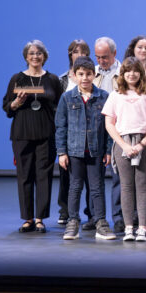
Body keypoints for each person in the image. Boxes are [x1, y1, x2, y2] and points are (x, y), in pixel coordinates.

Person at [3, 40, 63, 233]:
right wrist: (16, 103)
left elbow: (60, 107)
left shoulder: (52, 79)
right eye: (31, 53)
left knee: (43, 176)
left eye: (39, 53)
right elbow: (7, 106)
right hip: (22, 133)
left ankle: (40, 218)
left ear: (44, 56)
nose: (35, 56)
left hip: (47, 133)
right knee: (24, 176)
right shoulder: (17, 78)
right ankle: (27, 218)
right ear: (26, 57)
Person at [55, 57, 115, 240]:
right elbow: (61, 127)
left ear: (94, 75)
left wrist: (108, 150)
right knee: (75, 187)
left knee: (97, 188)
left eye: (88, 74)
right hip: (74, 152)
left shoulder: (104, 96)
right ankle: (73, 222)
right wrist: (62, 152)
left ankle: (100, 223)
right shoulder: (67, 98)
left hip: (96, 151)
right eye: (80, 74)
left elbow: (109, 126)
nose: (85, 78)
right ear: (73, 76)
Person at [103, 57, 146, 242]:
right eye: (128, 71)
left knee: (143, 186)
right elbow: (109, 124)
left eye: (136, 70)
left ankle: (142, 228)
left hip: (144, 141)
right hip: (123, 142)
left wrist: (141, 144)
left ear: (141, 73)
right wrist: (125, 145)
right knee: (126, 186)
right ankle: (129, 228)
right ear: (122, 74)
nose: (132, 74)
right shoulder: (115, 95)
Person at [57, 39, 91, 225]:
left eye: (83, 52)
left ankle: (90, 212)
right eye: (75, 52)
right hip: (70, 134)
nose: (80, 55)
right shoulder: (62, 79)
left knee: (90, 179)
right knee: (66, 175)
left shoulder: (92, 77)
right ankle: (65, 211)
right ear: (70, 55)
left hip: (89, 133)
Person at [94, 36, 123, 232]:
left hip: (117, 130)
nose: (101, 61)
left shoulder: (124, 74)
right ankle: (95, 217)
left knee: (119, 176)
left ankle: (119, 217)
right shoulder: (91, 73)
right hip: (95, 130)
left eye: (105, 56)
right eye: (98, 57)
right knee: (93, 177)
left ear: (114, 53)